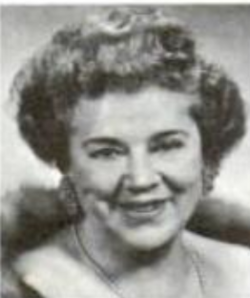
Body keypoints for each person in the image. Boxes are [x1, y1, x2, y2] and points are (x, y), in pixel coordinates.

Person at [3, 7, 250, 298]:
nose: (141, 178)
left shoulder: (242, 269)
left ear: (206, 153)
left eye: (167, 146)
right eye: (107, 152)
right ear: (65, 162)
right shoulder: (25, 286)